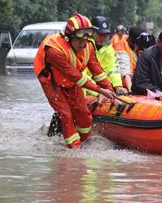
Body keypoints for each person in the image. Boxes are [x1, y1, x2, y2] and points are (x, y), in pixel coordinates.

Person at [34, 14, 116, 149]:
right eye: (79, 40)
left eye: (86, 39)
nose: (82, 44)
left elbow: (98, 72)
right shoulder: (55, 50)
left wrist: (112, 93)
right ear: (69, 37)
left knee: (83, 112)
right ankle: (74, 149)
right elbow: (75, 76)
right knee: (66, 114)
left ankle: (87, 140)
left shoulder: (88, 47)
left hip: (72, 82)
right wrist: (101, 91)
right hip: (51, 80)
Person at [85, 16, 128, 96]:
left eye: (105, 35)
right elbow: (82, 74)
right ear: (92, 32)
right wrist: (97, 92)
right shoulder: (84, 45)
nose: (103, 38)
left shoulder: (107, 46)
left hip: (95, 83)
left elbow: (112, 67)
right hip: (82, 85)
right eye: (100, 34)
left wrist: (117, 86)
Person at [114, 26, 155, 92]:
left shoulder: (138, 50)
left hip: (135, 83)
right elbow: (126, 73)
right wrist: (131, 91)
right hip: (123, 86)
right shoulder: (122, 50)